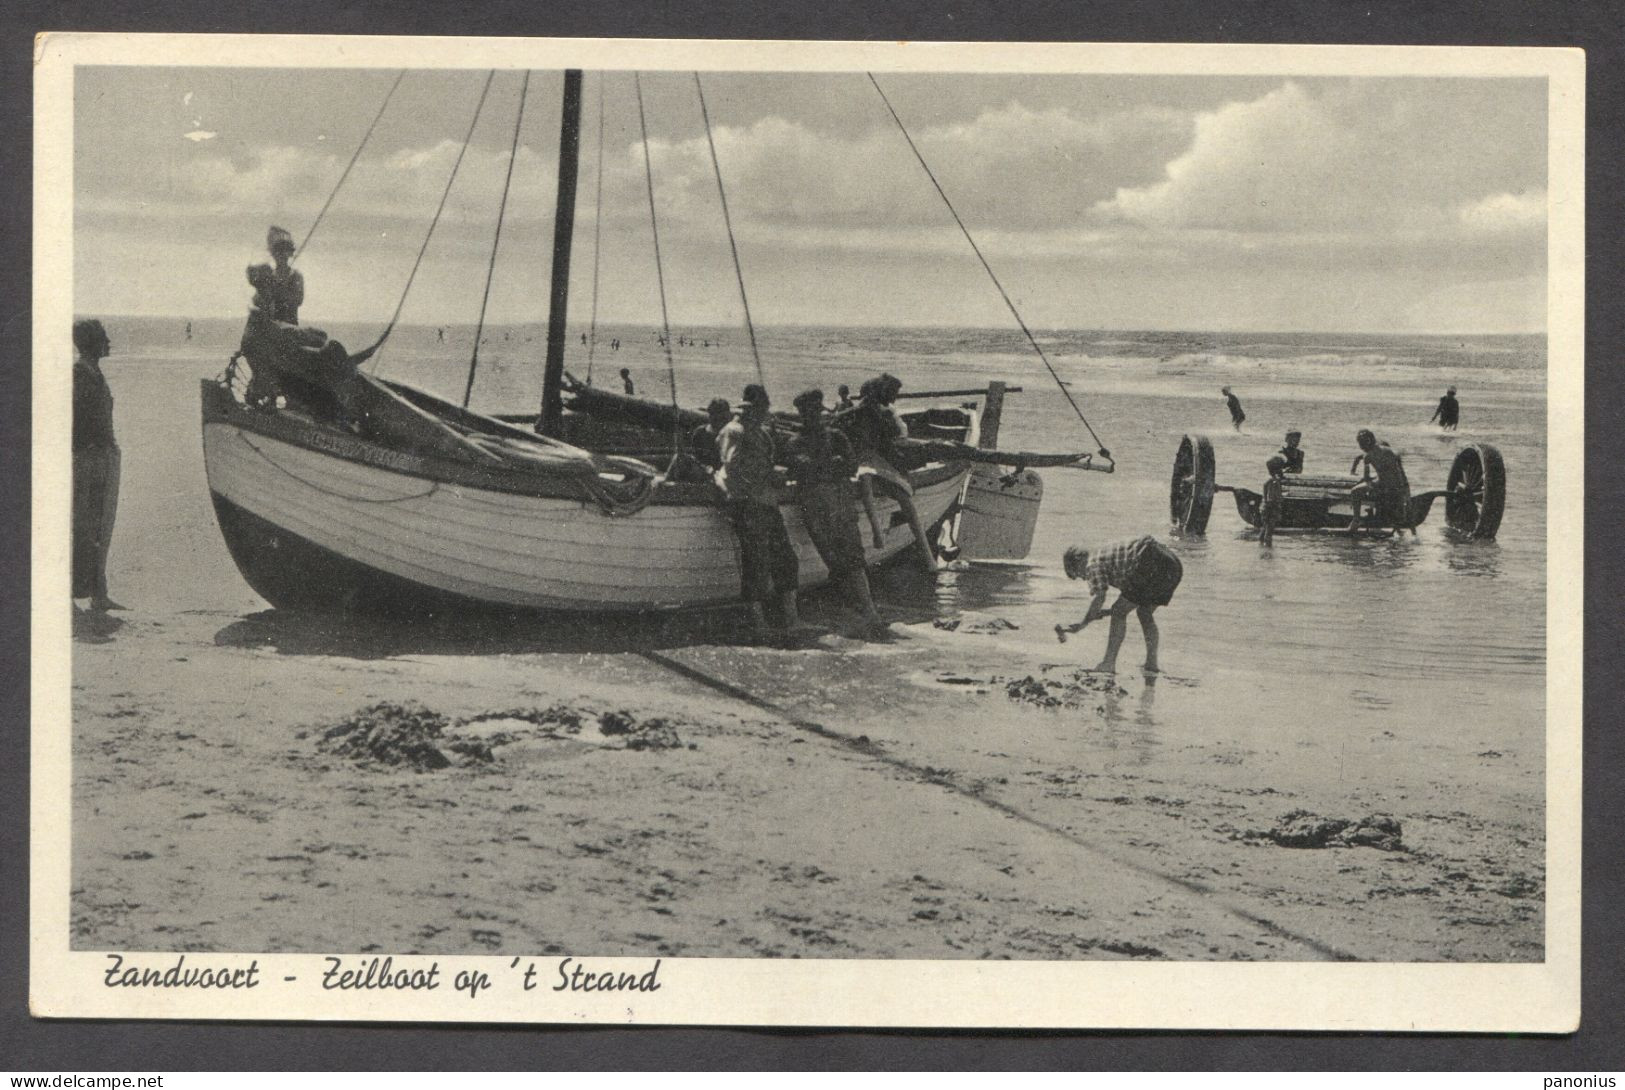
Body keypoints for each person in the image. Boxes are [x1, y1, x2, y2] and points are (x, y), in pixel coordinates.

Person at [786, 389, 885, 633]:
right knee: (833, 557)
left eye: (815, 412)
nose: (813, 417)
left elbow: (849, 466)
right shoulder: (796, 442)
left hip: (836, 502)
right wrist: (830, 465)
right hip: (817, 504)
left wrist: (817, 466)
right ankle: (860, 610)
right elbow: (799, 468)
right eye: (808, 413)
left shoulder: (834, 437)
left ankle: (868, 611)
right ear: (802, 415)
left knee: (851, 556)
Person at [717, 384, 801, 635]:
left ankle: (790, 619)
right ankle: (759, 623)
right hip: (748, 504)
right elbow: (731, 468)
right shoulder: (735, 431)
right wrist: (769, 475)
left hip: (766, 503)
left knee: (786, 560)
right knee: (756, 563)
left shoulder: (760, 432)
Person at [842, 373, 936, 571]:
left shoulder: (865, 414)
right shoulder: (873, 414)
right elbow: (896, 437)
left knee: (883, 488)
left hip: (872, 461)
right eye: (893, 394)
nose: (895, 398)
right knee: (880, 487)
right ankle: (924, 555)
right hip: (864, 460)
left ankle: (884, 537)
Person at [1053, 536, 1182, 674]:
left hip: (1149, 558)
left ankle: (1108, 663)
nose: (1084, 578)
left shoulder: (1092, 563)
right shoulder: (1105, 554)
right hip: (1172, 564)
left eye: (1077, 574)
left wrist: (1082, 624)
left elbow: (1100, 598)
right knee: (1144, 612)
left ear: (1078, 561)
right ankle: (1151, 664)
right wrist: (1107, 611)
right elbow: (1134, 599)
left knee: (1119, 612)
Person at [73, 319, 126, 613]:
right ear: (91, 342)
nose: (108, 341)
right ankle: (71, 597)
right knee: (83, 525)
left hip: (101, 455)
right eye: (103, 336)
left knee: (100, 526)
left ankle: (98, 593)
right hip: (88, 457)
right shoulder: (80, 374)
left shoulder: (92, 373)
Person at [1348, 428, 1413, 533]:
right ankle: (1404, 532)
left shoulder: (1367, 456)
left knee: (1355, 491)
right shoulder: (1389, 451)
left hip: (1384, 486)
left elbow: (1366, 478)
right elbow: (1398, 473)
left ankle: (1356, 519)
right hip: (1396, 485)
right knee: (1398, 518)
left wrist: (1366, 481)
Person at [246, 226, 303, 324]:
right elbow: (253, 279)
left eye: (285, 251)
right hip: (267, 326)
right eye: (278, 251)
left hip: (288, 326)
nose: (281, 255)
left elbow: (297, 300)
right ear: (273, 253)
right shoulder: (267, 275)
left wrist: (279, 290)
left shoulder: (295, 277)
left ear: (290, 253)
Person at [1260, 455, 1288, 547]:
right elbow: (1271, 497)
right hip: (1271, 508)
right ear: (1277, 470)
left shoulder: (1269, 481)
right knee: (1270, 528)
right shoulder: (1274, 482)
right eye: (1281, 469)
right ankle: (1268, 547)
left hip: (1265, 507)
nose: (1283, 471)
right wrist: (1279, 501)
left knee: (1265, 527)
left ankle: (1261, 544)